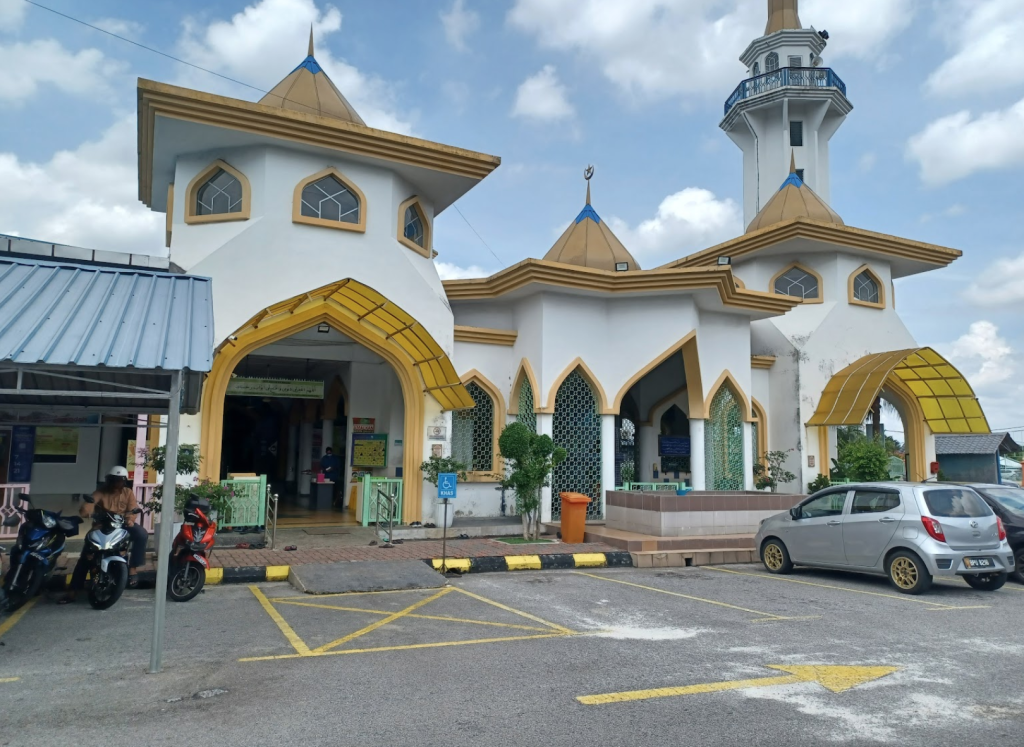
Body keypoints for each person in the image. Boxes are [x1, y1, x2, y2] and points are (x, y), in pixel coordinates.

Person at [60, 466, 149, 604]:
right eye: (114, 480)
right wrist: (87, 510)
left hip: (122, 523)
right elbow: (88, 506)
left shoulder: (128, 492)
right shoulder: (100, 492)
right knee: (87, 555)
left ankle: (132, 569)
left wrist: (130, 520)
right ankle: (72, 592)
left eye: (119, 480)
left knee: (141, 534)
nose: (116, 483)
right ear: (109, 480)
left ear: (124, 481)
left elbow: (132, 509)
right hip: (103, 524)